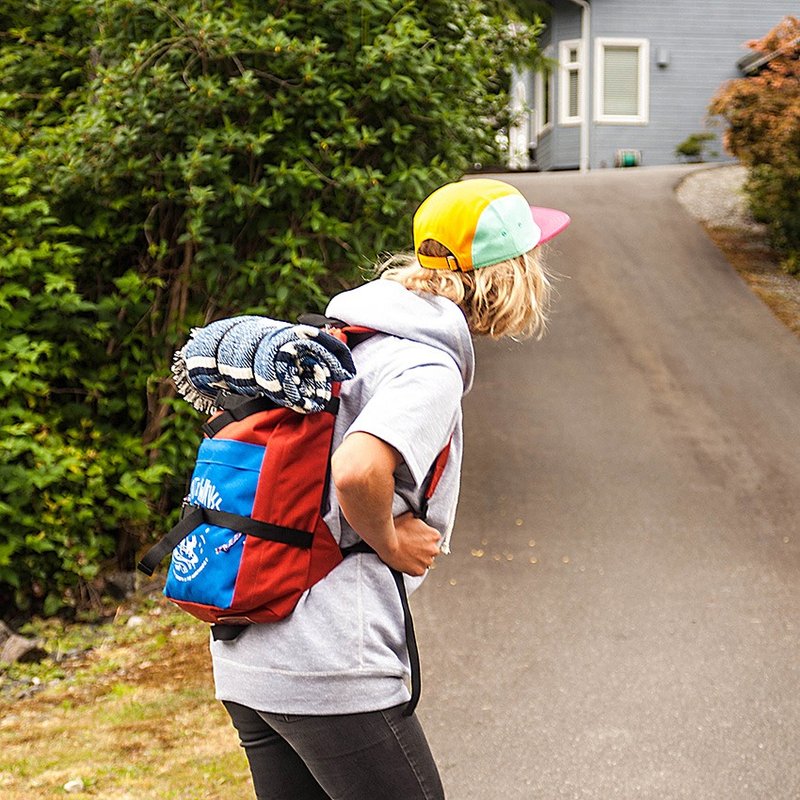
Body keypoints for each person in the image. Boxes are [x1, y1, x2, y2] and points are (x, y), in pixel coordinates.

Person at [214, 178, 570, 800]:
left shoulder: (355, 334)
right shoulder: (425, 366)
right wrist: (389, 540)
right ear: (509, 273)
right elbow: (357, 469)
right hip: (330, 662)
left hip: (251, 653)